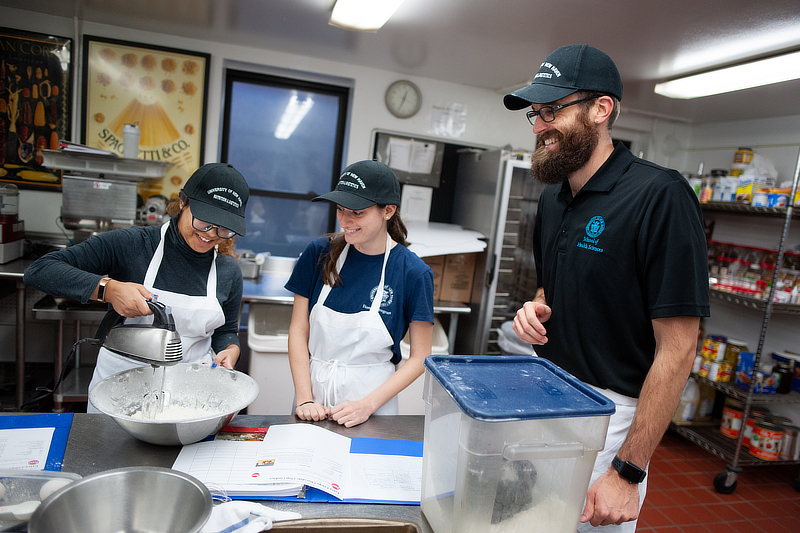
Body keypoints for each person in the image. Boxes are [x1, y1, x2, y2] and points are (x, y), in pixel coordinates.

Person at [504, 44, 709, 531]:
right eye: (536, 113)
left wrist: (628, 470)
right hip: (546, 394)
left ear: (601, 109)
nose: (539, 126)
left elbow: (678, 349)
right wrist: (534, 309)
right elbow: (550, 290)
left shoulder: (660, 195)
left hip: (610, 417)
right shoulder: (555, 200)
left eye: (553, 110)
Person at [23, 163, 250, 412]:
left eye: (224, 228)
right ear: (183, 203)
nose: (211, 234)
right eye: (205, 221)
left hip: (190, 397)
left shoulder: (228, 271)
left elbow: (226, 330)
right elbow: (40, 270)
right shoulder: (134, 245)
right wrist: (107, 289)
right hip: (121, 394)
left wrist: (230, 349)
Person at [285, 160, 434, 428]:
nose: (345, 221)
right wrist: (305, 399)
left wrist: (367, 405)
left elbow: (420, 357)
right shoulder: (319, 253)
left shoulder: (412, 272)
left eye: (357, 212)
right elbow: (298, 328)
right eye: (340, 209)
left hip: (373, 406)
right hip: (312, 397)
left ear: (388, 211)